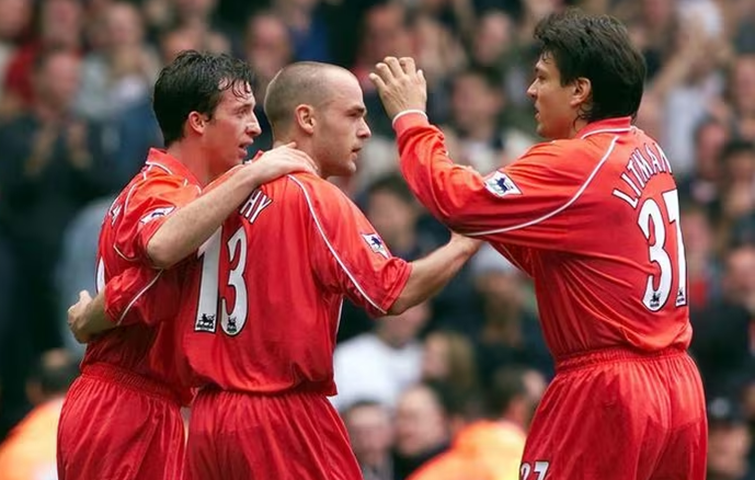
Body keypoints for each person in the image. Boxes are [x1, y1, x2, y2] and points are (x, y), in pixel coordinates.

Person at [69, 61, 480, 479]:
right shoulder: (271, 193)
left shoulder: (215, 200)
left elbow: (147, 282)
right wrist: (467, 241)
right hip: (260, 411)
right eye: (353, 115)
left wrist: (89, 317)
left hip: (207, 415)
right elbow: (391, 291)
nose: (365, 131)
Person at [369, 9, 707, 480]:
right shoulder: (646, 148)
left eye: (543, 77)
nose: (531, 90)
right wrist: (496, 219)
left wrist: (410, 118)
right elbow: (576, 260)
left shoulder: (577, 161)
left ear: (579, 90)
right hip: (677, 387)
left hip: (607, 389)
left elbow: (457, 202)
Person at [57, 51, 315, 480]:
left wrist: (91, 317)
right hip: (122, 405)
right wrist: (251, 175)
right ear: (198, 122)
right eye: (241, 112)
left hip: (156, 406)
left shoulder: (195, 195)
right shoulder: (160, 188)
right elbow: (161, 246)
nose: (255, 127)